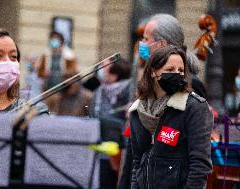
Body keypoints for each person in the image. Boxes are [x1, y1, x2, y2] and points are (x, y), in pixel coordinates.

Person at [129, 45, 213, 188]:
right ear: (153, 72)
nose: (177, 74)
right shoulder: (138, 110)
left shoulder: (194, 107)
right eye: (170, 70)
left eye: (181, 70)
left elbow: (200, 165)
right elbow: (138, 162)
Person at [119, 13, 186, 189]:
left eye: (146, 39)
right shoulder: (147, 82)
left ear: (162, 44)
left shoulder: (187, 90)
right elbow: (135, 160)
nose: (142, 43)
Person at [89, 58, 131, 189]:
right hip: (99, 148)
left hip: (118, 149)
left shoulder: (128, 89)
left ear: (116, 73)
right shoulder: (100, 90)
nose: (102, 70)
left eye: (105, 67)